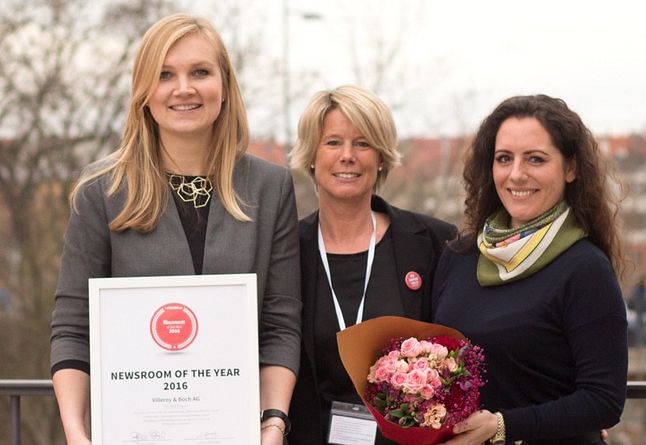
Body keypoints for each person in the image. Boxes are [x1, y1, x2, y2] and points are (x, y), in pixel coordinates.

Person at [49, 14, 301, 445]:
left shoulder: (270, 186)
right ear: (144, 92)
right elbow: (74, 327)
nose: (183, 88)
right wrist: (76, 431)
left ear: (224, 85)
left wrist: (272, 423)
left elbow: (280, 323)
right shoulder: (101, 192)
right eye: (165, 75)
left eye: (200, 72)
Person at [433, 94, 628, 445]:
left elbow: (603, 401)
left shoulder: (585, 269)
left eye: (535, 159)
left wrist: (502, 426)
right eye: (504, 158)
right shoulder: (459, 257)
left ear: (571, 168)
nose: (516, 174)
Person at [286, 85, 456, 444]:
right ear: (311, 156)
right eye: (333, 142)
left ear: (381, 157)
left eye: (362, 143)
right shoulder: (285, 250)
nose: (347, 156)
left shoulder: (432, 242)